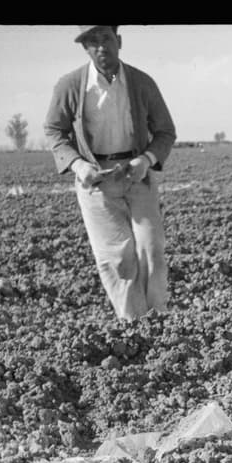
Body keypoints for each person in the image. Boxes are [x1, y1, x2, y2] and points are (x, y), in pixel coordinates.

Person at [43, 25, 176, 322]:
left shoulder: (142, 82)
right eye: (92, 41)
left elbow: (165, 131)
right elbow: (54, 130)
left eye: (106, 38)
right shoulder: (70, 85)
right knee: (118, 258)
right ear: (85, 48)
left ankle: (158, 323)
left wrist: (146, 159)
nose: (100, 46)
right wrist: (78, 165)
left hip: (137, 174)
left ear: (119, 41)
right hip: (96, 180)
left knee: (151, 251)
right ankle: (134, 326)